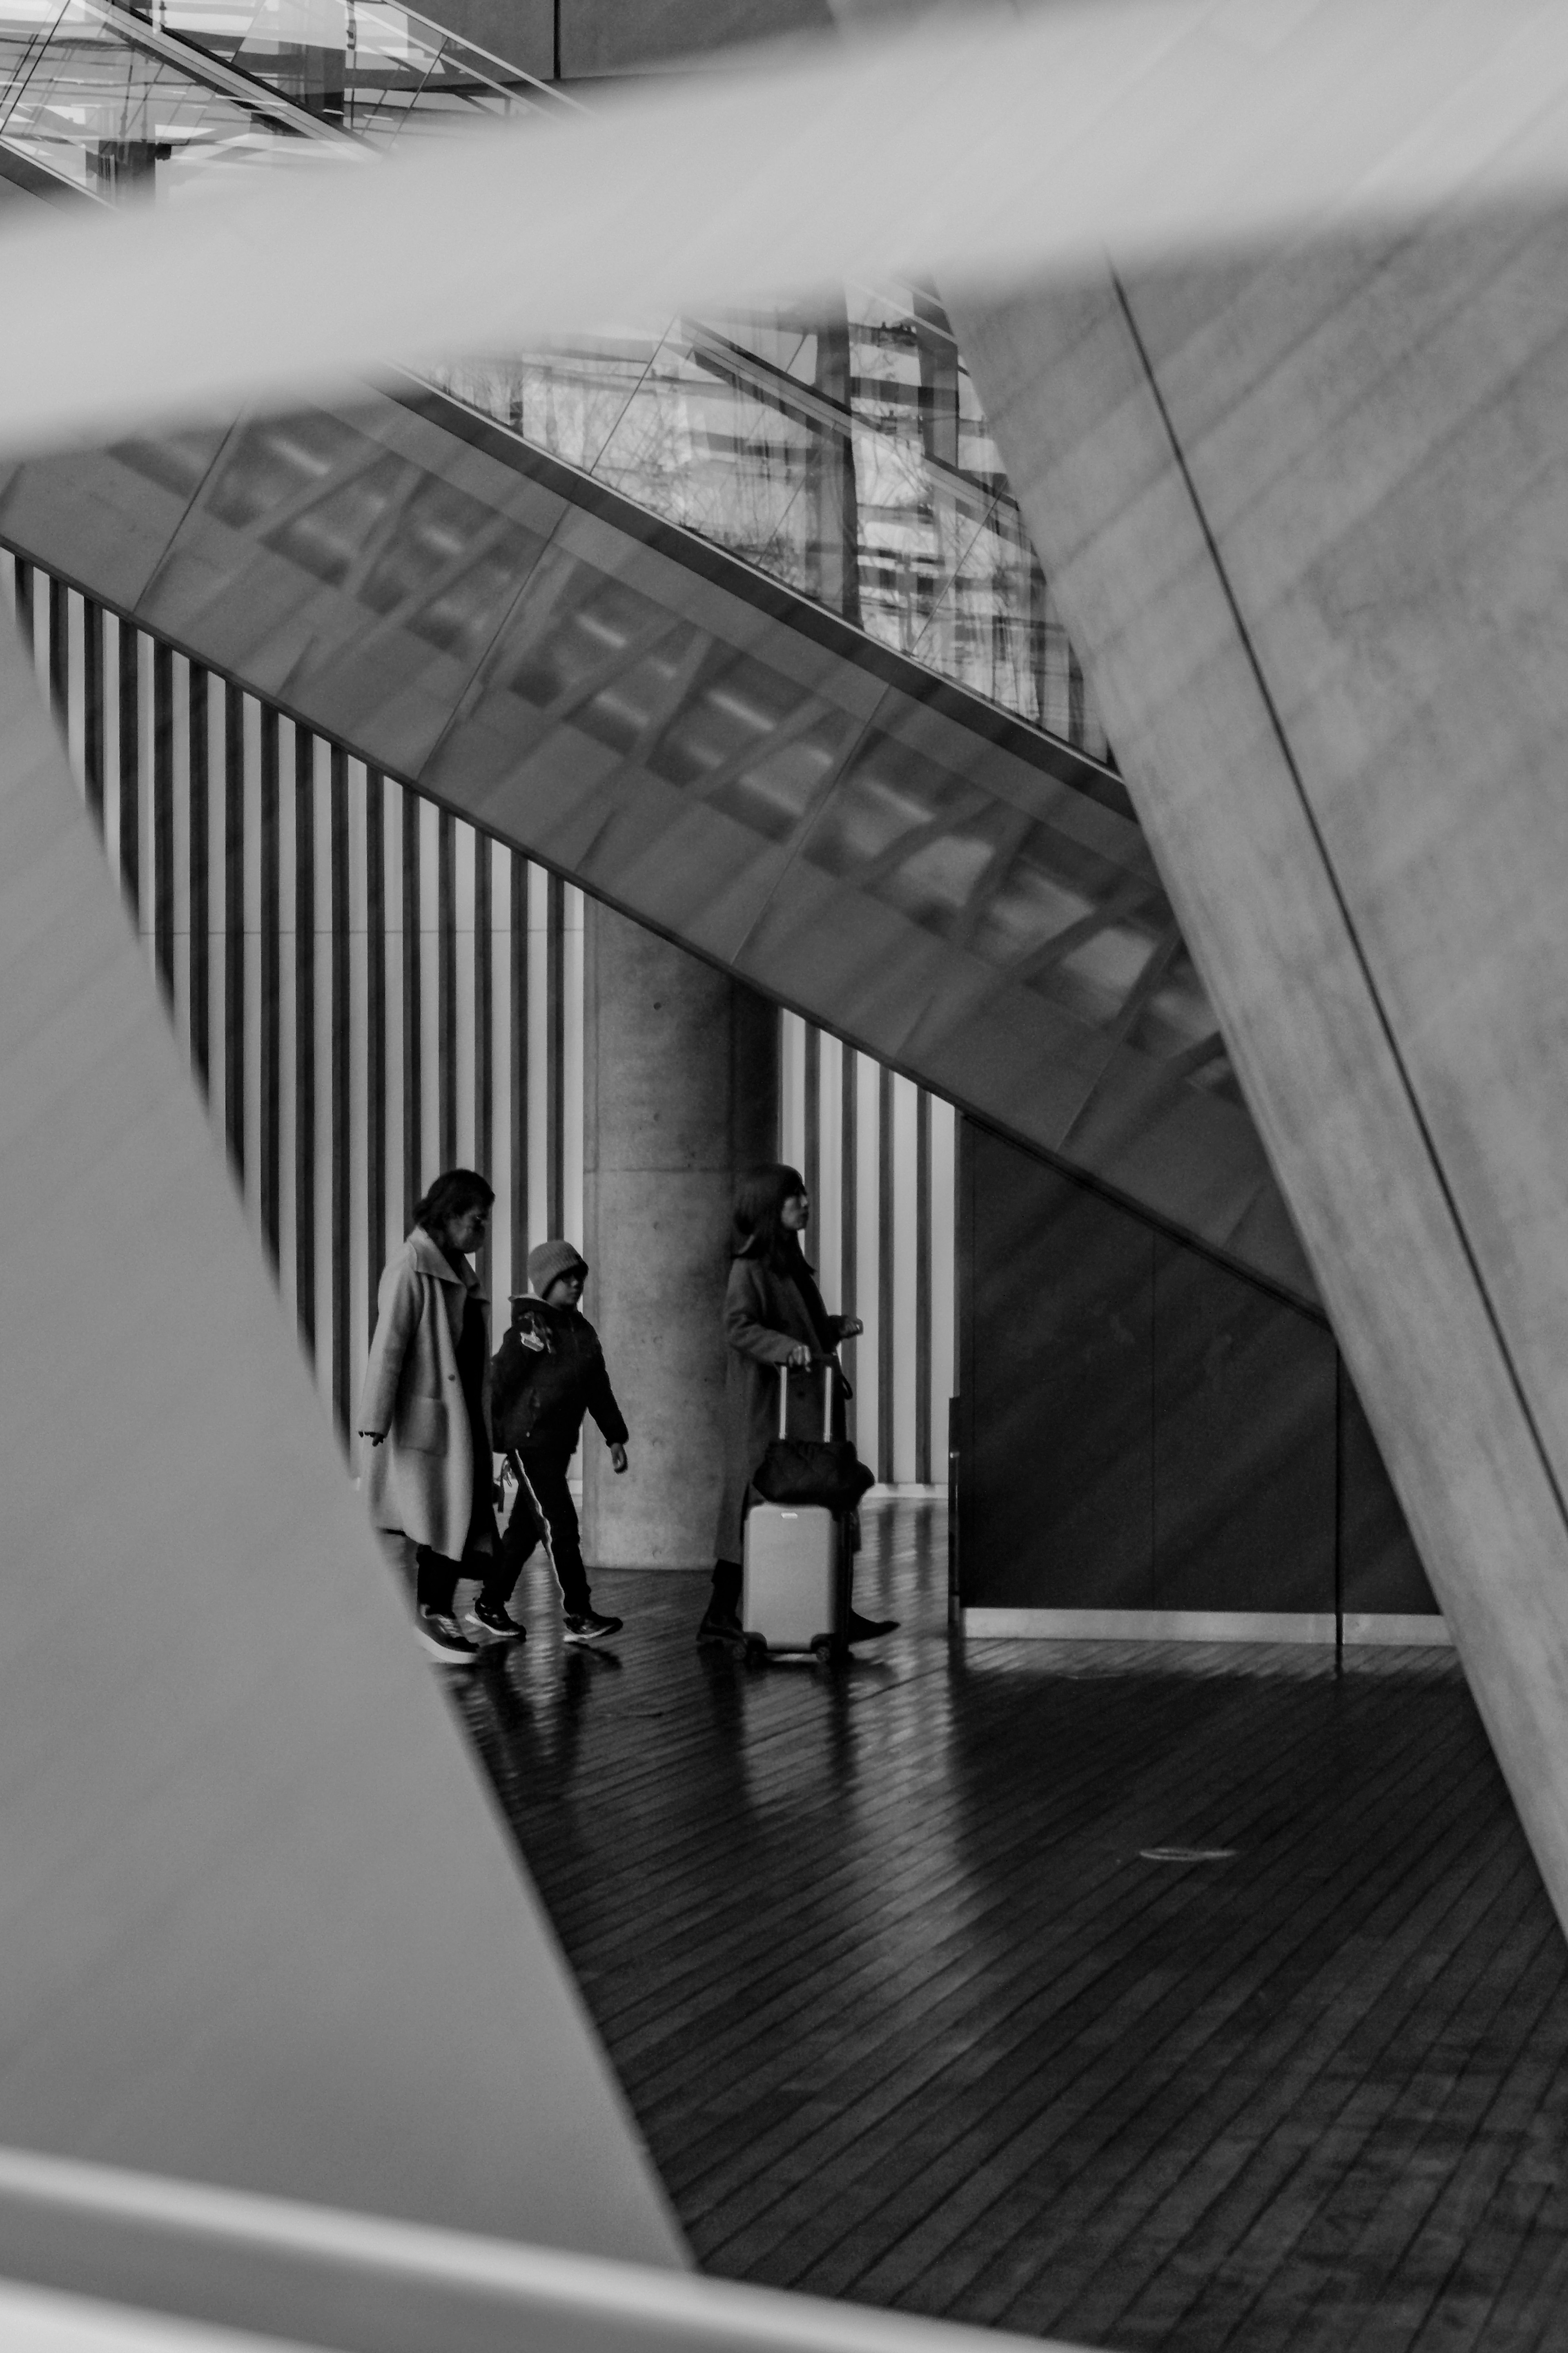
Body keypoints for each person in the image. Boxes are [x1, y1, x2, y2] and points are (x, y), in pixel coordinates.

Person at [699, 1163, 897, 1648]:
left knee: (818, 1502)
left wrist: (830, 1327)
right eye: (794, 1196)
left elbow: (794, 1327)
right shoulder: (751, 1267)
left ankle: (830, 1611)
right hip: (770, 1413)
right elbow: (739, 1326)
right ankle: (723, 1613)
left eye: (804, 1193)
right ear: (770, 1208)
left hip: (801, 1408)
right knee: (756, 1508)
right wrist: (787, 1349)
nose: (805, 1202)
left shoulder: (788, 1263)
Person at [359, 1169, 498, 1665]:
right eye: (478, 1220)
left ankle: (441, 1614)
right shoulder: (413, 1264)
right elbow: (389, 1344)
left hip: (457, 1421)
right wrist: (374, 1418)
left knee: (460, 1518)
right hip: (432, 1423)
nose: (484, 1231)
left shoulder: (456, 1267)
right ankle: (434, 1615)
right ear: (451, 1215)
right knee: (442, 1520)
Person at [483, 1239, 628, 1646]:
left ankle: (489, 1603)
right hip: (529, 1443)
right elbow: (500, 1379)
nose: (576, 1284)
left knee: (526, 1530)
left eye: (579, 1277)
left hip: (558, 1444)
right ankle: (579, 1614)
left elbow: (598, 1387)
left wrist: (615, 1436)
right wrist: (491, 1436)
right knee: (561, 1524)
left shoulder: (581, 1330)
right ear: (546, 1282)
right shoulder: (532, 1327)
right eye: (566, 1278)